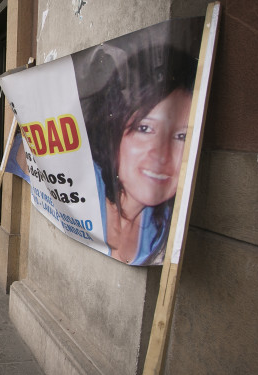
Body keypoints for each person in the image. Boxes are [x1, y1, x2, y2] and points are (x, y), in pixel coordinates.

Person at [81, 45, 197, 265]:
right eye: (145, 129)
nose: (161, 156)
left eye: (182, 136)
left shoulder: (161, 227)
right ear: (113, 129)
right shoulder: (80, 181)